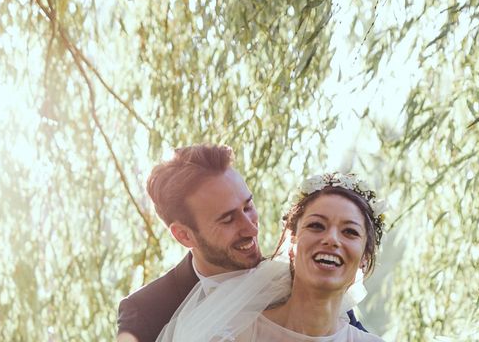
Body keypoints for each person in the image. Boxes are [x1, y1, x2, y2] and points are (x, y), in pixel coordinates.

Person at [117, 145, 366, 342]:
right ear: (184, 236)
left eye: (248, 206)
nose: (251, 227)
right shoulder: (145, 312)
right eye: (227, 219)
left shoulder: (296, 279)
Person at [157, 172, 386, 342]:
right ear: (292, 241)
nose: (332, 240)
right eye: (317, 226)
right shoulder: (230, 335)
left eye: (350, 232)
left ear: (365, 256)